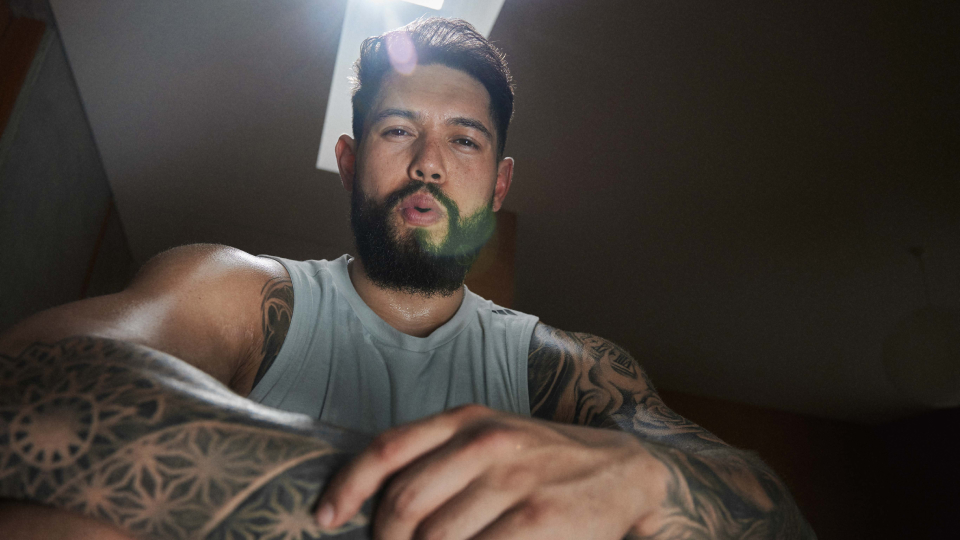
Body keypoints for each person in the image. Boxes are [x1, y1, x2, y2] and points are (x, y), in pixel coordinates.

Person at [0, 18, 814, 540]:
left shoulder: (570, 368)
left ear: (498, 184)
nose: (428, 163)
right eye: (398, 131)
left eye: (464, 140)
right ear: (350, 162)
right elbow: (31, 385)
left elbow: (777, 520)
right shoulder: (239, 292)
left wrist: (648, 479)